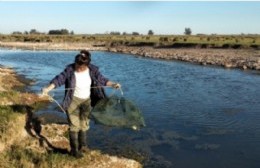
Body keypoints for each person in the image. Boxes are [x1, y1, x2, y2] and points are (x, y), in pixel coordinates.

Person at [41, 50, 121, 158]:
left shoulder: (93, 70)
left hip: (87, 101)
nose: (78, 68)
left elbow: (102, 80)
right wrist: (48, 88)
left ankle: (83, 147)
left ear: (87, 65)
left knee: (84, 124)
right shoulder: (70, 70)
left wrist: (113, 84)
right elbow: (59, 79)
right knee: (74, 126)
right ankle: (74, 150)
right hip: (72, 101)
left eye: (81, 67)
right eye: (77, 66)